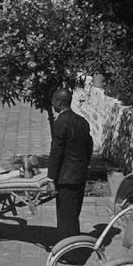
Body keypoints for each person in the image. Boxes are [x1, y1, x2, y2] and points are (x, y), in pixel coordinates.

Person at [47, 88, 93, 240]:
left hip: (66, 179)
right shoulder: (82, 121)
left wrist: (51, 179)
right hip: (79, 175)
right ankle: (73, 247)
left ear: (59, 102)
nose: (52, 103)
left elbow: (56, 153)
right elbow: (89, 147)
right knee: (74, 214)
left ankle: (71, 253)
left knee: (66, 218)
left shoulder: (60, 123)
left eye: (53, 100)